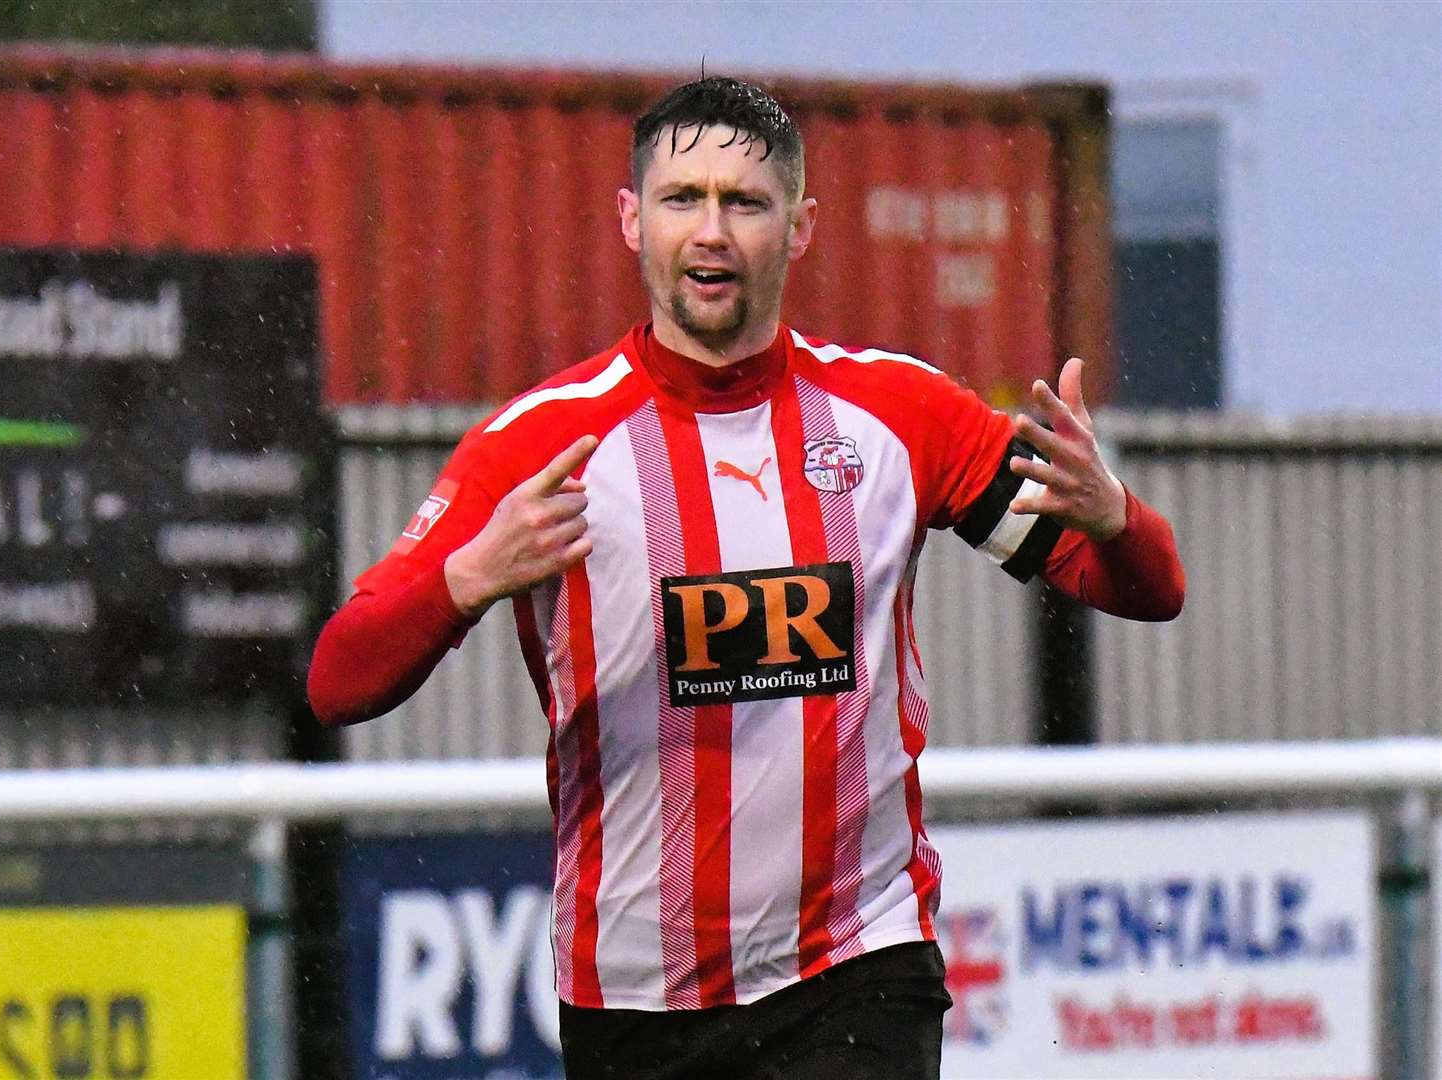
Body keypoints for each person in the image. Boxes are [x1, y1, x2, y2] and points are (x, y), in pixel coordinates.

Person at [308, 76, 1185, 1080]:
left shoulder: (898, 418)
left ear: (801, 226)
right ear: (632, 221)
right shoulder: (546, 443)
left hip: (858, 966)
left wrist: (1116, 519)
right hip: (637, 996)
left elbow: (1147, 589)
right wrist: (467, 579)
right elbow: (340, 678)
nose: (712, 231)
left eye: (745, 202)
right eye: (684, 199)